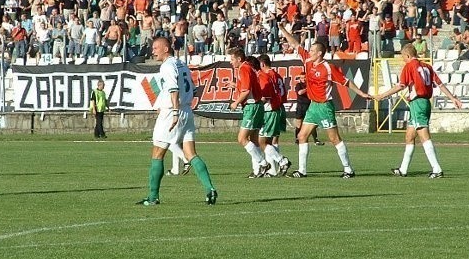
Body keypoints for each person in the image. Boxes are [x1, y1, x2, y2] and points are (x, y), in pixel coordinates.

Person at [278, 22, 371, 178]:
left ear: (320, 53)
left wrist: (361, 93)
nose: (310, 52)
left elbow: (346, 82)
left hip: (325, 106)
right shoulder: (308, 61)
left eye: (313, 50)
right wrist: (282, 30)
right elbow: (294, 44)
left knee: (334, 138)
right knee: (301, 136)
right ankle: (302, 171)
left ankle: (348, 169)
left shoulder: (328, 68)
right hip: (313, 106)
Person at [137, 37, 217, 206]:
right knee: (190, 153)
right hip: (187, 111)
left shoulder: (167, 66)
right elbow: (193, 89)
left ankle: (153, 197)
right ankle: (210, 189)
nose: (153, 51)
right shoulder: (182, 64)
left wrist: (174, 112)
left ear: (166, 49)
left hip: (172, 113)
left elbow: (174, 89)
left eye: (156, 48)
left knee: (157, 154)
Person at [375, 44, 462, 178]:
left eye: (403, 57)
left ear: (408, 55)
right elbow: (440, 84)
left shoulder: (409, 66)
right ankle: (403, 169)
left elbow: (401, 86)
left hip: (417, 103)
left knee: (424, 136)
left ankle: (437, 169)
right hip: (425, 102)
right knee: (409, 136)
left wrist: (382, 95)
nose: (403, 60)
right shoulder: (427, 66)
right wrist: (452, 98)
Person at [227, 47, 270, 178]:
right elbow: (247, 87)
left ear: (239, 59)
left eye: (232, 59)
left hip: (251, 106)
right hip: (257, 106)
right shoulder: (248, 68)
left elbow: (246, 91)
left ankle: (263, 163)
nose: (231, 62)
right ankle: (257, 170)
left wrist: (235, 102)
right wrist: (236, 85)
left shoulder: (243, 69)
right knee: (254, 140)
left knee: (242, 138)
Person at [294, 72, 324, 145]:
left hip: (309, 105)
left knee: (312, 123)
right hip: (300, 106)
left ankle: (316, 140)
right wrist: (307, 89)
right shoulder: (298, 85)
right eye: (301, 78)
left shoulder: (309, 84)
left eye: (304, 77)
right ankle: (297, 139)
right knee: (299, 124)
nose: (303, 79)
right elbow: (300, 93)